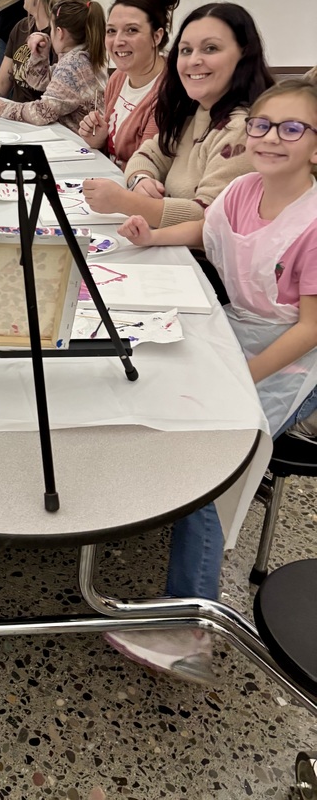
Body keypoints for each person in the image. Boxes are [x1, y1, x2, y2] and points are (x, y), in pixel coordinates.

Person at [108, 79, 317, 683]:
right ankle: (138, 501)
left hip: (289, 357)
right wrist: (155, 236)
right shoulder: (245, 189)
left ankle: (189, 626)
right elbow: (209, 231)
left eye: (292, 128)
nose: (271, 137)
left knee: (211, 454)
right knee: (147, 378)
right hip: (239, 329)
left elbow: (309, 329)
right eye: (262, 124)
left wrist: (240, 376)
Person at [82, 3, 275, 227]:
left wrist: (125, 201)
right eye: (186, 50)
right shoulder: (193, 114)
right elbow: (147, 155)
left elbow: (209, 218)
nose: (193, 60)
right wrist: (140, 179)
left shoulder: (243, 130)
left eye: (210, 48)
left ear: (244, 54)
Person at [78, 0, 180, 169]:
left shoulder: (169, 93)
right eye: (111, 31)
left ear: (156, 37)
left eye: (131, 30)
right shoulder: (118, 77)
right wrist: (101, 140)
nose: (118, 41)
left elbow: (147, 167)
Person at [0, 0, 107, 130]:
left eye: (52, 29)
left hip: (77, 142)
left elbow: (42, 113)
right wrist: (39, 55)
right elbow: (39, 83)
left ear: (60, 32)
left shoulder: (73, 65)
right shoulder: (84, 57)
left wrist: (2, 108)